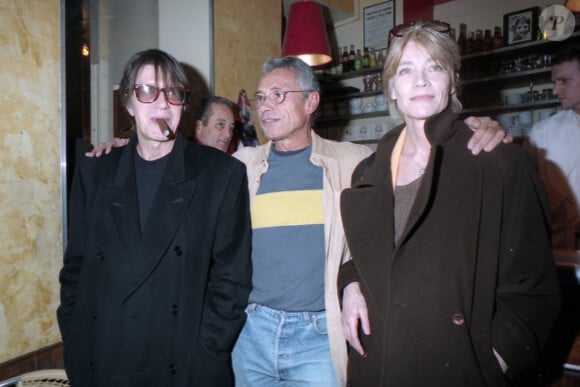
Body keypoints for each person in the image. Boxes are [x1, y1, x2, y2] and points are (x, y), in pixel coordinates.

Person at [87, 57, 511, 386]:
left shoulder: (355, 161)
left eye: (279, 95)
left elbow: (417, 163)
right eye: (260, 97)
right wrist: (122, 144)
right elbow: (171, 161)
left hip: (319, 338)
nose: (266, 106)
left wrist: (472, 125)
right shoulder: (238, 166)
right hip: (250, 333)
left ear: (311, 103)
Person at [338, 21, 561, 386]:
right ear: (391, 87)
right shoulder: (368, 169)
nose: (421, 81)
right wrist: (350, 285)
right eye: (406, 70)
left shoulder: (497, 160)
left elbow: (533, 291)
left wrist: (489, 365)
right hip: (375, 365)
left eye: (435, 67)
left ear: (454, 81)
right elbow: (361, 255)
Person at [57, 49, 252, 386]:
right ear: (129, 105)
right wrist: (76, 340)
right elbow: (76, 267)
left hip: (182, 364)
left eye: (173, 93)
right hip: (103, 357)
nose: (162, 104)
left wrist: (208, 352)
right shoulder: (95, 171)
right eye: (147, 91)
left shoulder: (221, 174)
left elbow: (231, 281)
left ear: (183, 105)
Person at [525, 47, 580, 249]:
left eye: (564, 80)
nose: (556, 90)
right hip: (559, 250)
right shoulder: (541, 134)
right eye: (555, 82)